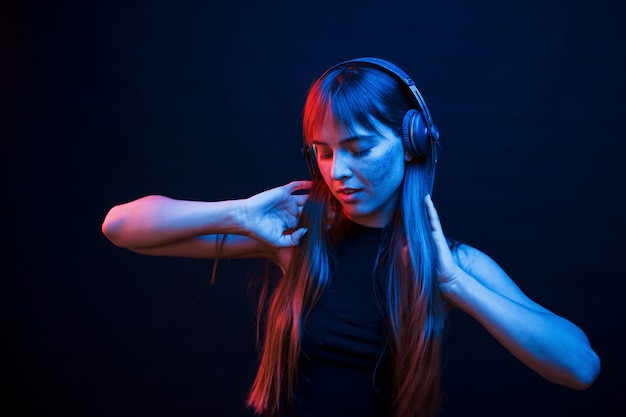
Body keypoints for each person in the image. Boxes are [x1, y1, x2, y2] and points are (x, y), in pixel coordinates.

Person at [101, 57, 600, 417]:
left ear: (411, 145)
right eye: (322, 150)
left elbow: (579, 367)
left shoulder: (453, 264)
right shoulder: (295, 238)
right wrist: (238, 213)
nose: (337, 171)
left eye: (359, 148)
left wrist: (455, 284)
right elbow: (121, 227)